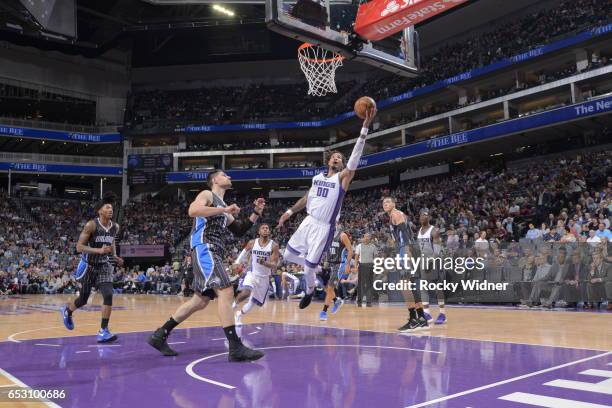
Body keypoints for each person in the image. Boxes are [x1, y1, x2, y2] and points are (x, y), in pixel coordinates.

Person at [147, 170, 265, 361]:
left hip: (213, 251)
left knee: (199, 301)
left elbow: (239, 230)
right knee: (226, 291)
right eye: (224, 175)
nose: (229, 177)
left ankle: (159, 335)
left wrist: (256, 213)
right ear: (214, 180)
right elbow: (193, 211)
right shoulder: (207, 194)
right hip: (204, 248)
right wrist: (224, 210)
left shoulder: (223, 205)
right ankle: (235, 348)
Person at [277, 105, 376, 309]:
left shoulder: (343, 179)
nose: (337, 158)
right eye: (335, 156)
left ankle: (310, 291)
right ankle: (317, 269)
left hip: (324, 227)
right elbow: (306, 198)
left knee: (308, 268)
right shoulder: (316, 178)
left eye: (341, 157)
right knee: (287, 255)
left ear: (342, 164)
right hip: (308, 221)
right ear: (328, 159)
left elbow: (355, 159)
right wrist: (288, 212)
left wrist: (364, 129)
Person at [60, 192, 124, 343]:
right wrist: (99, 250)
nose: (110, 210)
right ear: (100, 211)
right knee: (83, 299)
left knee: (108, 295)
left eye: (111, 208)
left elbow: (111, 241)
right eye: (107, 207)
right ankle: (67, 311)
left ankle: (103, 331)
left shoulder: (115, 226)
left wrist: (114, 256)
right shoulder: (91, 225)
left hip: (104, 266)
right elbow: (79, 247)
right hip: (89, 265)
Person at [382, 197, 428, 332]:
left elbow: (404, 236)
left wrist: (405, 253)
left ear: (394, 204)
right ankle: (421, 318)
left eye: (388, 202)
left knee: (403, 284)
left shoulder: (396, 214)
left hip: (406, 249)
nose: (385, 204)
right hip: (409, 248)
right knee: (412, 285)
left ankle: (413, 319)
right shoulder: (397, 215)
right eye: (384, 203)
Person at [232, 224, 280, 325]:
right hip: (252, 274)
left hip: (264, 278)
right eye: (263, 228)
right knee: (246, 292)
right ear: (259, 232)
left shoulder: (274, 245)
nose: (266, 229)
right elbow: (244, 251)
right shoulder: (252, 242)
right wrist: (237, 261)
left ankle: (239, 314)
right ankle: (233, 305)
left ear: (269, 231)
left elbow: (274, 265)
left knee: (252, 303)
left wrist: (265, 263)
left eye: (267, 228)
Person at [417, 208, 446, 325]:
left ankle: (442, 314)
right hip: (423, 262)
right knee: (423, 287)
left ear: (428, 217)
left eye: (425, 215)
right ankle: (426, 313)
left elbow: (437, 249)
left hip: (435, 262)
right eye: (421, 215)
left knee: (437, 288)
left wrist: (431, 261)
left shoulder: (434, 230)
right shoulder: (419, 230)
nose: (423, 217)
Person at [318, 226, 352, 321]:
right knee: (325, 287)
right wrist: (326, 260)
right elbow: (327, 249)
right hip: (330, 264)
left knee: (330, 288)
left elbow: (350, 250)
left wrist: (348, 264)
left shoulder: (342, 235)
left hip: (339, 265)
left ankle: (324, 312)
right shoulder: (328, 235)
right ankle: (336, 300)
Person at [354, 233, 376, 307]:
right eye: (366, 237)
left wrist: (375, 266)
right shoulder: (359, 246)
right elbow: (356, 257)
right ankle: (359, 301)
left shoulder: (373, 246)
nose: (367, 238)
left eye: (368, 237)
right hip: (362, 266)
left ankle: (368, 302)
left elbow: (375, 257)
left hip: (370, 266)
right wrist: (355, 267)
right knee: (361, 284)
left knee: (369, 284)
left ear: (370, 238)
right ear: (363, 237)